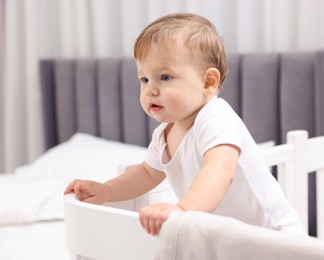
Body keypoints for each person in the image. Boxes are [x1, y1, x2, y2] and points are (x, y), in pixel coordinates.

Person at [64, 13, 306, 237]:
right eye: (144, 79)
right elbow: (146, 174)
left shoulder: (215, 118)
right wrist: (107, 191)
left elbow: (219, 171)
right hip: (234, 239)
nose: (151, 89)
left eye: (165, 77)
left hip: (276, 236)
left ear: (208, 82)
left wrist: (183, 210)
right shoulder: (164, 134)